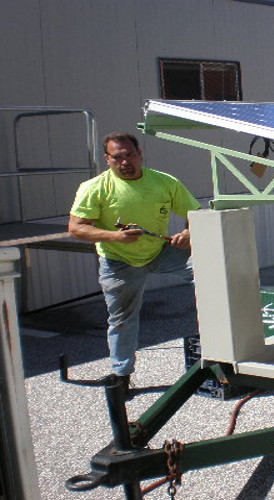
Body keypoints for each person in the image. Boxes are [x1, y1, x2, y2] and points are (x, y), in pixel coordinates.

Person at [68, 132, 201, 393]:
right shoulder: (94, 187)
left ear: (140, 154)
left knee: (210, 271)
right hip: (119, 260)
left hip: (161, 250)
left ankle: (221, 349)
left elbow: (196, 213)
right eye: (117, 157)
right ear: (108, 159)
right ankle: (121, 377)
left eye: (129, 155)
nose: (125, 162)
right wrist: (114, 236)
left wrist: (188, 233)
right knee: (122, 319)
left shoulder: (164, 182)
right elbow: (76, 228)